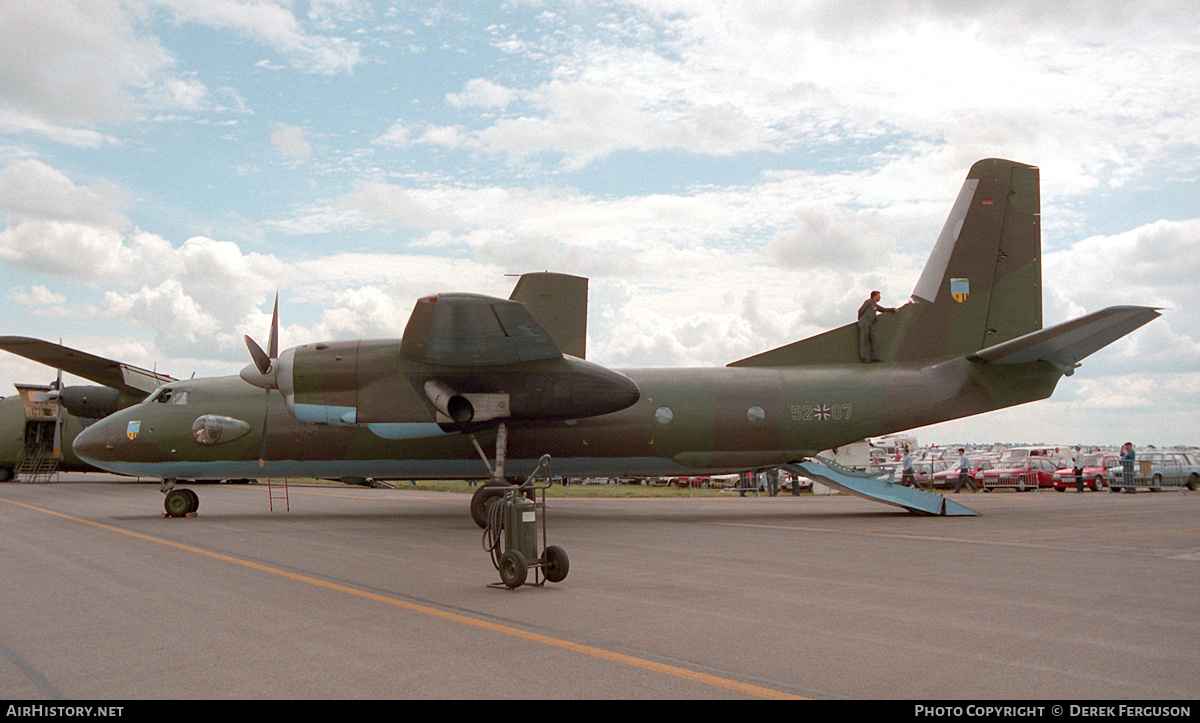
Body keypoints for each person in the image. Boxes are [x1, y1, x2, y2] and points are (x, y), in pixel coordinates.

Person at [857, 291, 896, 363]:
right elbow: (860, 310)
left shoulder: (875, 305)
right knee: (864, 339)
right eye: (878, 295)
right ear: (874, 296)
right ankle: (864, 357)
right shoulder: (868, 302)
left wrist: (892, 309)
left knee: (875, 337)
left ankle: (874, 357)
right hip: (865, 322)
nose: (880, 297)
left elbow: (883, 309)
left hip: (870, 323)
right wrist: (861, 320)